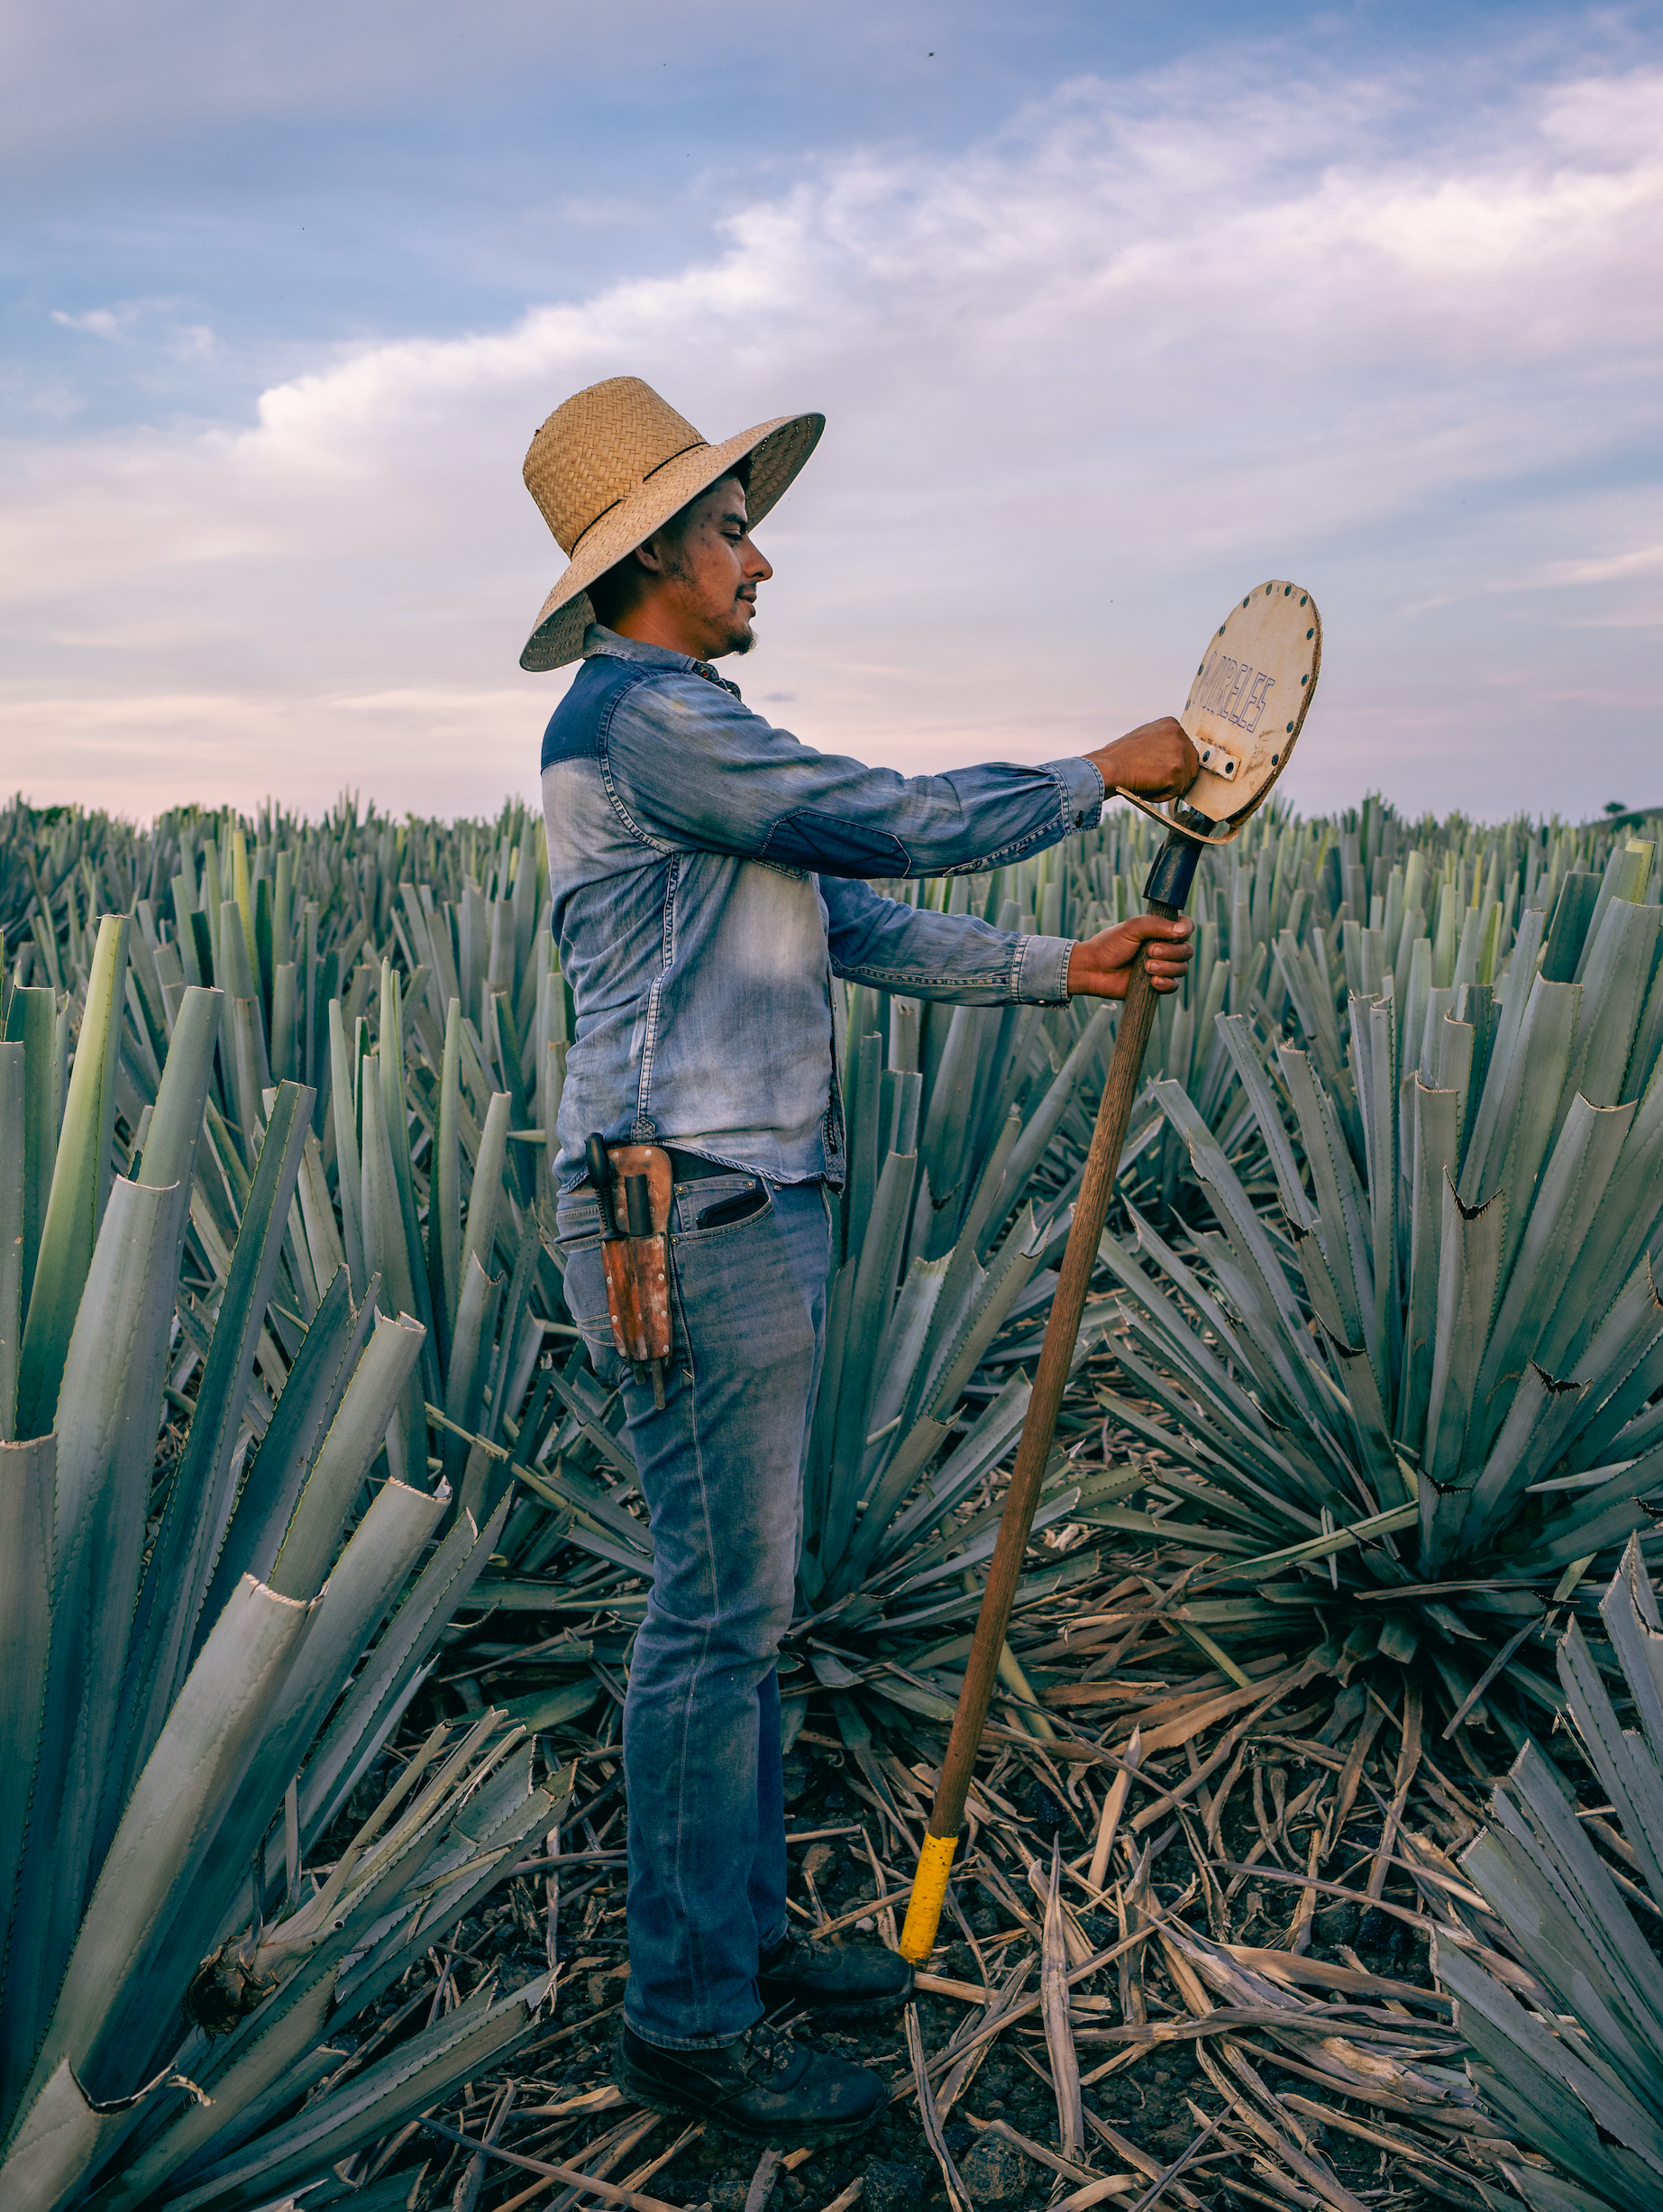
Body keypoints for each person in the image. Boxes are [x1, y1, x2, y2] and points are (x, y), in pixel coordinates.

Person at [516, 376, 1199, 2144]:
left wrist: (1066, 968)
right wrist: (1093, 777)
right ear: (653, 554)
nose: (762, 555)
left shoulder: (683, 736)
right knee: (709, 1624)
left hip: (748, 1205)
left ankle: (732, 1948)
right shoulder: (646, 720)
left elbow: (851, 909)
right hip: (696, 1212)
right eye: (733, 525)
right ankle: (685, 2017)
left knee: (737, 1616)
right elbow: (887, 818)